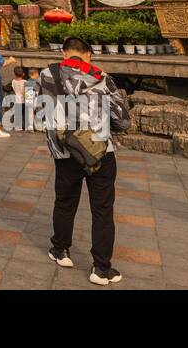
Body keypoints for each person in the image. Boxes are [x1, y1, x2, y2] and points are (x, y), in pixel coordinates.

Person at [42, 37, 131, 285]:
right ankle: (101, 269)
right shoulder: (101, 76)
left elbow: (42, 112)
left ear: (64, 54)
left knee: (64, 202)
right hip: (100, 152)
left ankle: (60, 250)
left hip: (65, 153)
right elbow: (123, 121)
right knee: (102, 209)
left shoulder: (47, 75)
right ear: (88, 55)